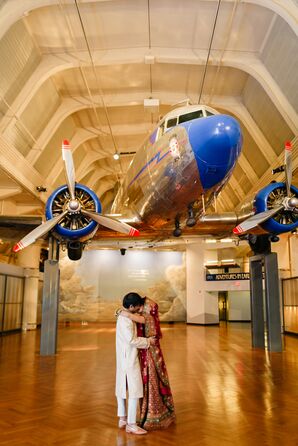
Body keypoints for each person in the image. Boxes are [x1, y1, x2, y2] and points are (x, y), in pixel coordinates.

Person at [120, 296, 175, 430]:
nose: (139, 311)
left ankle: (143, 417)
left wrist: (122, 312)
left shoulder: (147, 315)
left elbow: (144, 322)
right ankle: (128, 420)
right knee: (137, 384)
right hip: (140, 351)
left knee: (150, 382)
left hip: (149, 351)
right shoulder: (135, 314)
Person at [115, 292, 156, 435]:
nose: (139, 310)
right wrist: (148, 341)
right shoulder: (125, 320)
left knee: (122, 387)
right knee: (134, 390)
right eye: (138, 307)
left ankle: (122, 418)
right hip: (129, 359)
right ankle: (131, 424)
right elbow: (131, 340)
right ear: (131, 306)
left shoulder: (122, 315)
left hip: (123, 358)